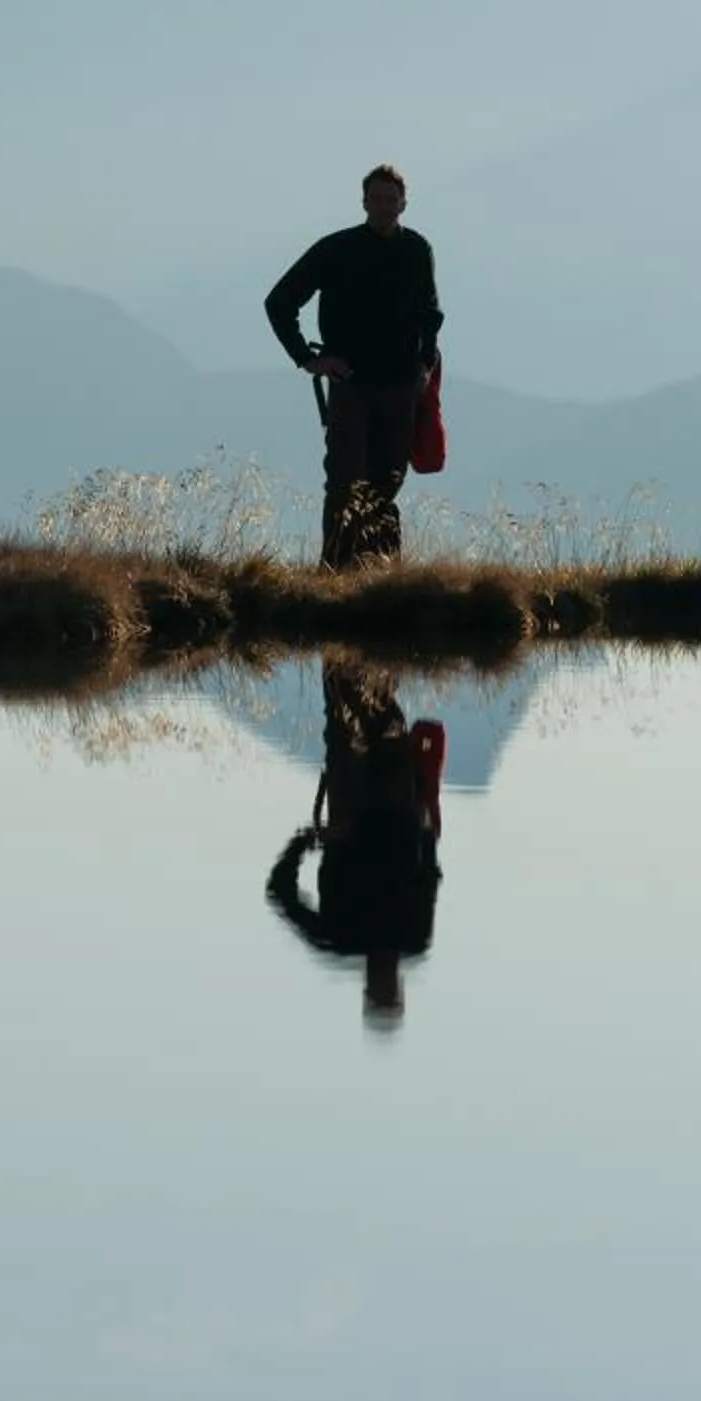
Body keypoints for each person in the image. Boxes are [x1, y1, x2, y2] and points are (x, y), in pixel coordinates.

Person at [263, 164, 444, 567]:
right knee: (346, 479)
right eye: (376, 199)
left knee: (388, 480)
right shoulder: (336, 249)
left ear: (403, 204)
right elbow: (279, 302)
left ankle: (381, 573)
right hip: (351, 382)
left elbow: (430, 314)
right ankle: (335, 571)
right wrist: (308, 358)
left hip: (401, 383)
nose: (383, 206)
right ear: (364, 202)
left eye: (391, 200)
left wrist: (425, 364)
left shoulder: (417, 250)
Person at [266, 658, 444, 1029]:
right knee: (383, 713)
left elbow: (279, 891)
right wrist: (426, 823)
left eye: (379, 992)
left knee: (345, 712)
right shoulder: (414, 938)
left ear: (365, 992)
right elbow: (428, 876)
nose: (384, 983)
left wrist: (305, 840)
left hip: (353, 805)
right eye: (389, 991)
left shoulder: (337, 939)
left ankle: (343, 645)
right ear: (400, 989)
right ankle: (376, 641)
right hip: (397, 808)